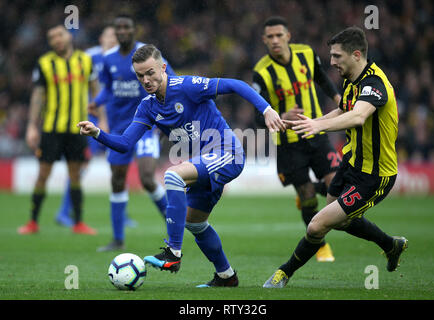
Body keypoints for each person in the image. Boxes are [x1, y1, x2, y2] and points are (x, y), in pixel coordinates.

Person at [78, 44, 286, 287]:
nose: (146, 79)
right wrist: (97, 133)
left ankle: (173, 253)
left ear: (163, 68)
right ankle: (226, 276)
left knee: (173, 176)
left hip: (226, 152)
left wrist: (267, 109)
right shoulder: (147, 106)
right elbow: (125, 143)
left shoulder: (187, 86)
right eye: (140, 75)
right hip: (202, 164)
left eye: (150, 72)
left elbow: (235, 85)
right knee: (195, 223)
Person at [263, 26, 408, 288]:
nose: (331, 62)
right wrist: (312, 122)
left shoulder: (375, 84)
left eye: (337, 56)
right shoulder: (351, 80)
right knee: (339, 221)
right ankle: (390, 245)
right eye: (331, 56)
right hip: (352, 164)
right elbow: (343, 110)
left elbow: (358, 115)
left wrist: (318, 127)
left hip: (375, 176)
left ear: (355, 55)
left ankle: (283, 273)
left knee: (317, 226)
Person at [252, 16, 341, 262]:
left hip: (316, 131)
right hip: (289, 142)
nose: (275, 40)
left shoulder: (306, 54)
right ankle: (320, 244)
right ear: (264, 40)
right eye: (269, 37)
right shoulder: (261, 71)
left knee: (337, 185)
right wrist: (281, 115)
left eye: (279, 35)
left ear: (288, 36)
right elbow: (257, 118)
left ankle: (310, 191)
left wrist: (338, 100)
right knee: (309, 199)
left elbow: (322, 78)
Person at [88, 15, 175, 252]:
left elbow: (172, 80)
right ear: (115, 32)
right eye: (119, 28)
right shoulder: (108, 59)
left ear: (135, 30)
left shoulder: (148, 55)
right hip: (118, 130)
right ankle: (118, 239)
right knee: (117, 180)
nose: (123, 31)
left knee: (147, 178)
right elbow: (109, 87)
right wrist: (97, 102)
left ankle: (175, 229)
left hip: (146, 127)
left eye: (127, 27)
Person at [18, 24, 98, 235]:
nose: (56, 40)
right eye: (52, 37)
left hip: (77, 128)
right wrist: (31, 127)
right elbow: (37, 96)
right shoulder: (45, 63)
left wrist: (102, 119)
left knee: (75, 175)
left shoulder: (86, 60)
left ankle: (78, 222)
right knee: (43, 174)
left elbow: (96, 91)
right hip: (51, 129)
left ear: (68, 36)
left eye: (59, 35)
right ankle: (33, 221)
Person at [54, 25, 117, 227]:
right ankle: (64, 211)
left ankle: (121, 214)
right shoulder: (88, 57)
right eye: (109, 34)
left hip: (115, 119)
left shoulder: (123, 59)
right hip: (91, 119)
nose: (112, 39)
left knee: (118, 165)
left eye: (115, 36)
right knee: (80, 165)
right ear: (101, 37)